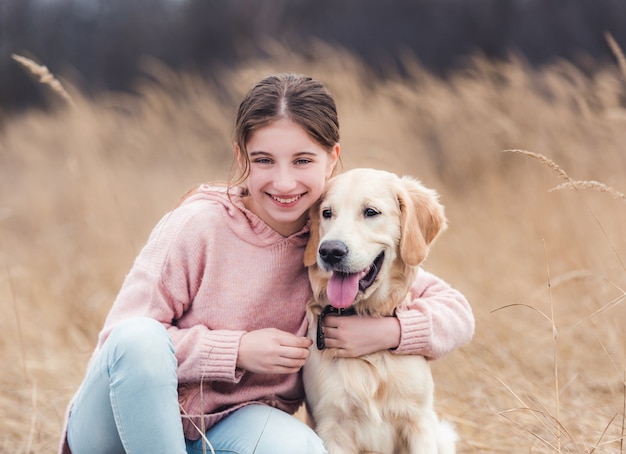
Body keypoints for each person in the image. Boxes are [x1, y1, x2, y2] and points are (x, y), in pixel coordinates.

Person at [59, 73, 475, 454]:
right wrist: (237, 350)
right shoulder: (196, 226)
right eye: (264, 161)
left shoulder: (328, 245)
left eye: (302, 160)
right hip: (119, 428)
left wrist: (387, 331)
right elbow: (123, 347)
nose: (283, 182)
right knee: (139, 338)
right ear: (242, 159)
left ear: (332, 159)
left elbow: (453, 310)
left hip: (224, 428)